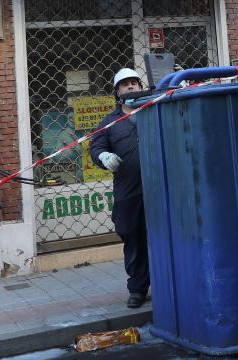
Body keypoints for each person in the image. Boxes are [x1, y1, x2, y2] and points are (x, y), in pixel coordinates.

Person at [90, 68, 149, 308]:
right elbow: (95, 148)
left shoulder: (154, 110)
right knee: (131, 235)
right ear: (117, 92)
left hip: (160, 188)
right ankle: (137, 288)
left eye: (135, 83)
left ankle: (170, 283)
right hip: (129, 191)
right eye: (126, 84)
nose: (132, 87)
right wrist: (103, 156)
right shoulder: (109, 122)